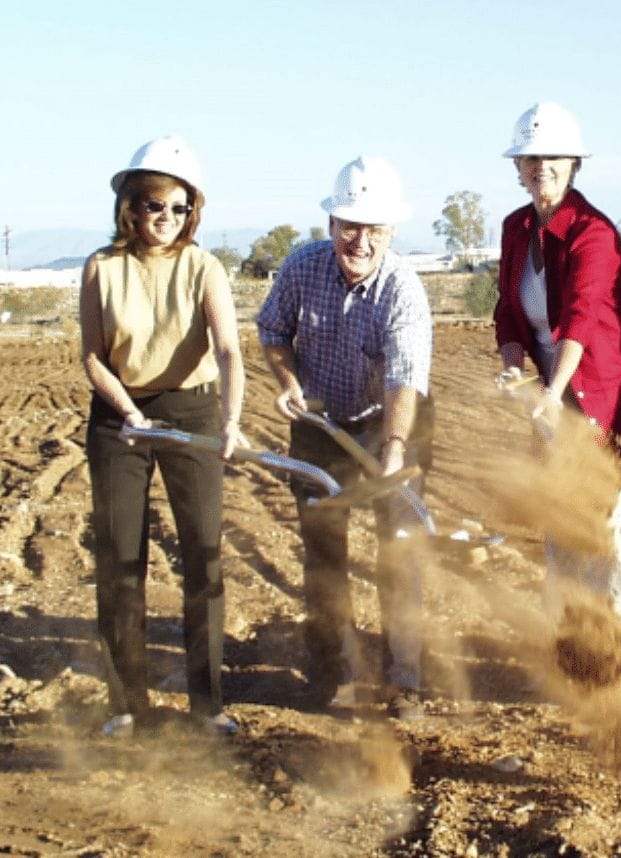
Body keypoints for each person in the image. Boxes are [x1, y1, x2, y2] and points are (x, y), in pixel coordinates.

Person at [493, 101, 621, 673]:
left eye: (552, 157)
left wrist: (552, 391)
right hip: (560, 387)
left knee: (617, 516)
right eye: (530, 158)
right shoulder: (516, 229)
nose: (540, 167)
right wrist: (512, 362)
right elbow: (508, 310)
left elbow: (582, 315)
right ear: (518, 166)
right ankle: (576, 649)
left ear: (574, 163)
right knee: (564, 516)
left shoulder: (593, 231)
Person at [257, 155, 433, 720]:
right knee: (323, 553)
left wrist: (395, 449)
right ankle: (328, 669)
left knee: (400, 551)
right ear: (332, 225)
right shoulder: (301, 267)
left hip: (391, 419)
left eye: (374, 229)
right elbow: (272, 330)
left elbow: (407, 377)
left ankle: (405, 678)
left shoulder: (402, 288)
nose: (360, 241)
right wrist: (288, 382)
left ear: (391, 231)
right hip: (318, 423)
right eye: (350, 226)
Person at [80, 135, 245, 737]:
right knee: (121, 559)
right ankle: (127, 705)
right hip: (120, 417)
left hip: (193, 413)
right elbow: (93, 356)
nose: (166, 220)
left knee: (203, 557)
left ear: (192, 211)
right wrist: (128, 411)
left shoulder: (204, 267)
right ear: (132, 206)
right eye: (155, 207)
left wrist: (229, 420)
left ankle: (209, 706)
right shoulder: (103, 266)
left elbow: (227, 349)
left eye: (179, 209)